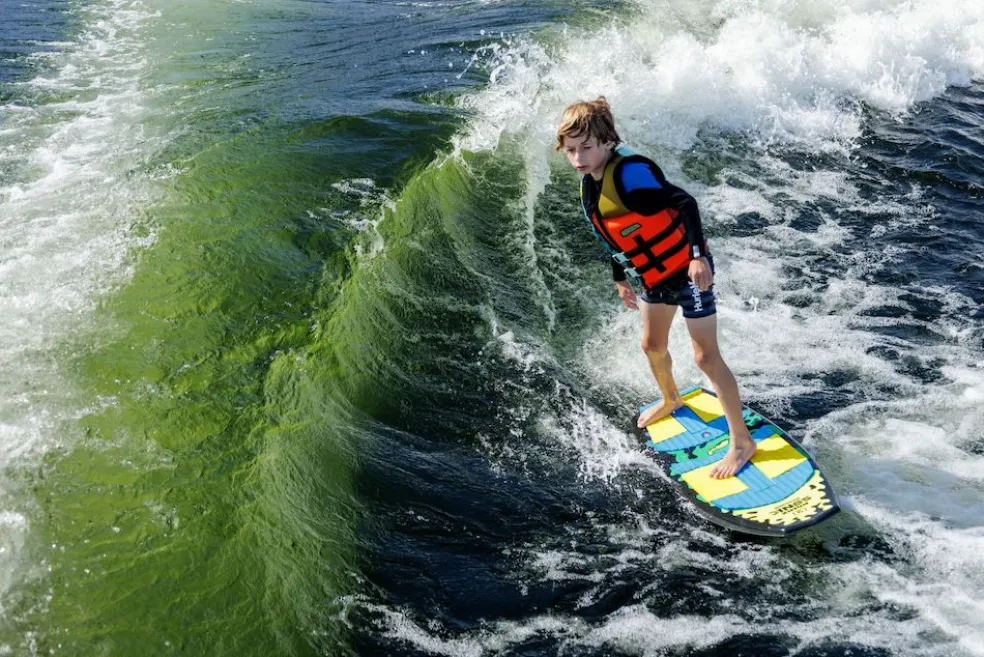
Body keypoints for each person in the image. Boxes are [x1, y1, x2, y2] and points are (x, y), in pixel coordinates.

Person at [556, 97, 755, 479]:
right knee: (651, 345)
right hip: (654, 277)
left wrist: (698, 257)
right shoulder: (591, 185)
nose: (578, 157)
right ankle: (671, 398)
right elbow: (613, 235)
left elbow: (685, 202)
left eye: (586, 147)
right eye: (570, 150)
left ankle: (742, 442)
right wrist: (619, 278)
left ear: (608, 142)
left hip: (688, 272)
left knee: (705, 357)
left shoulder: (630, 177)